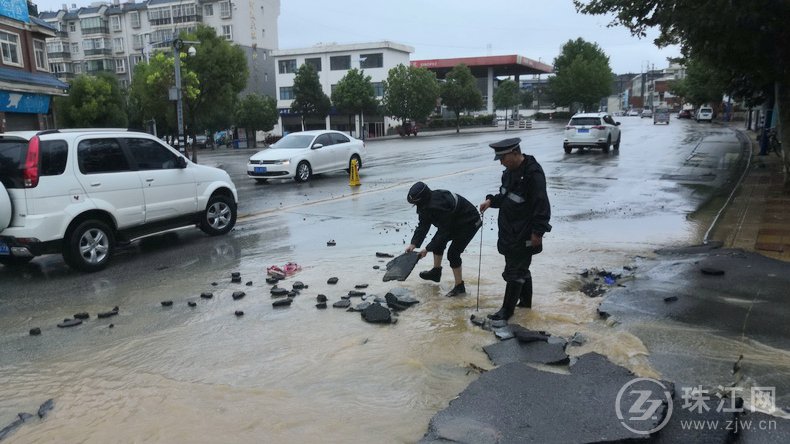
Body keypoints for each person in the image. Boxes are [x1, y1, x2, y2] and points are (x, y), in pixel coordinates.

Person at [479, 138, 551, 321]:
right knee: (520, 267)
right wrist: (491, 201)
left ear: (515, 153)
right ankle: (525, 303)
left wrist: (538, 232)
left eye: (502, 158)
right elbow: (505, 196)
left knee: (515, 270)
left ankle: (506, 311)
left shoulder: (533, 173)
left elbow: (541, 205)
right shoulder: (509, 173)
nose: (501, 162)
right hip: (509, 230)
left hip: (525, 231)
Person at [405, 181, 482, 297]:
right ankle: (436, 272)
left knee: (453, 253)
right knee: (438, 243)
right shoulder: (424, 204)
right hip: (454, 222)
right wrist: (413, 244)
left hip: (469, 222)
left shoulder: (438, 206)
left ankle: (459, 287)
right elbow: (423, 225)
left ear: (422, 199)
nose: (415, 206)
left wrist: (426, 249)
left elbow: (443, 232)